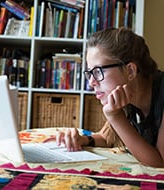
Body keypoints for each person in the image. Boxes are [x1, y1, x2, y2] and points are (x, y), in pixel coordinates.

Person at [56, 27, 164, 168]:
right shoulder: (126, 94)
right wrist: (82, 139)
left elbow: (160, 164)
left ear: (130, 70)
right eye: (89, 73)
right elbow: (106, 138)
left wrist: (115, 117)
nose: (91, 82)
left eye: (98, 71)